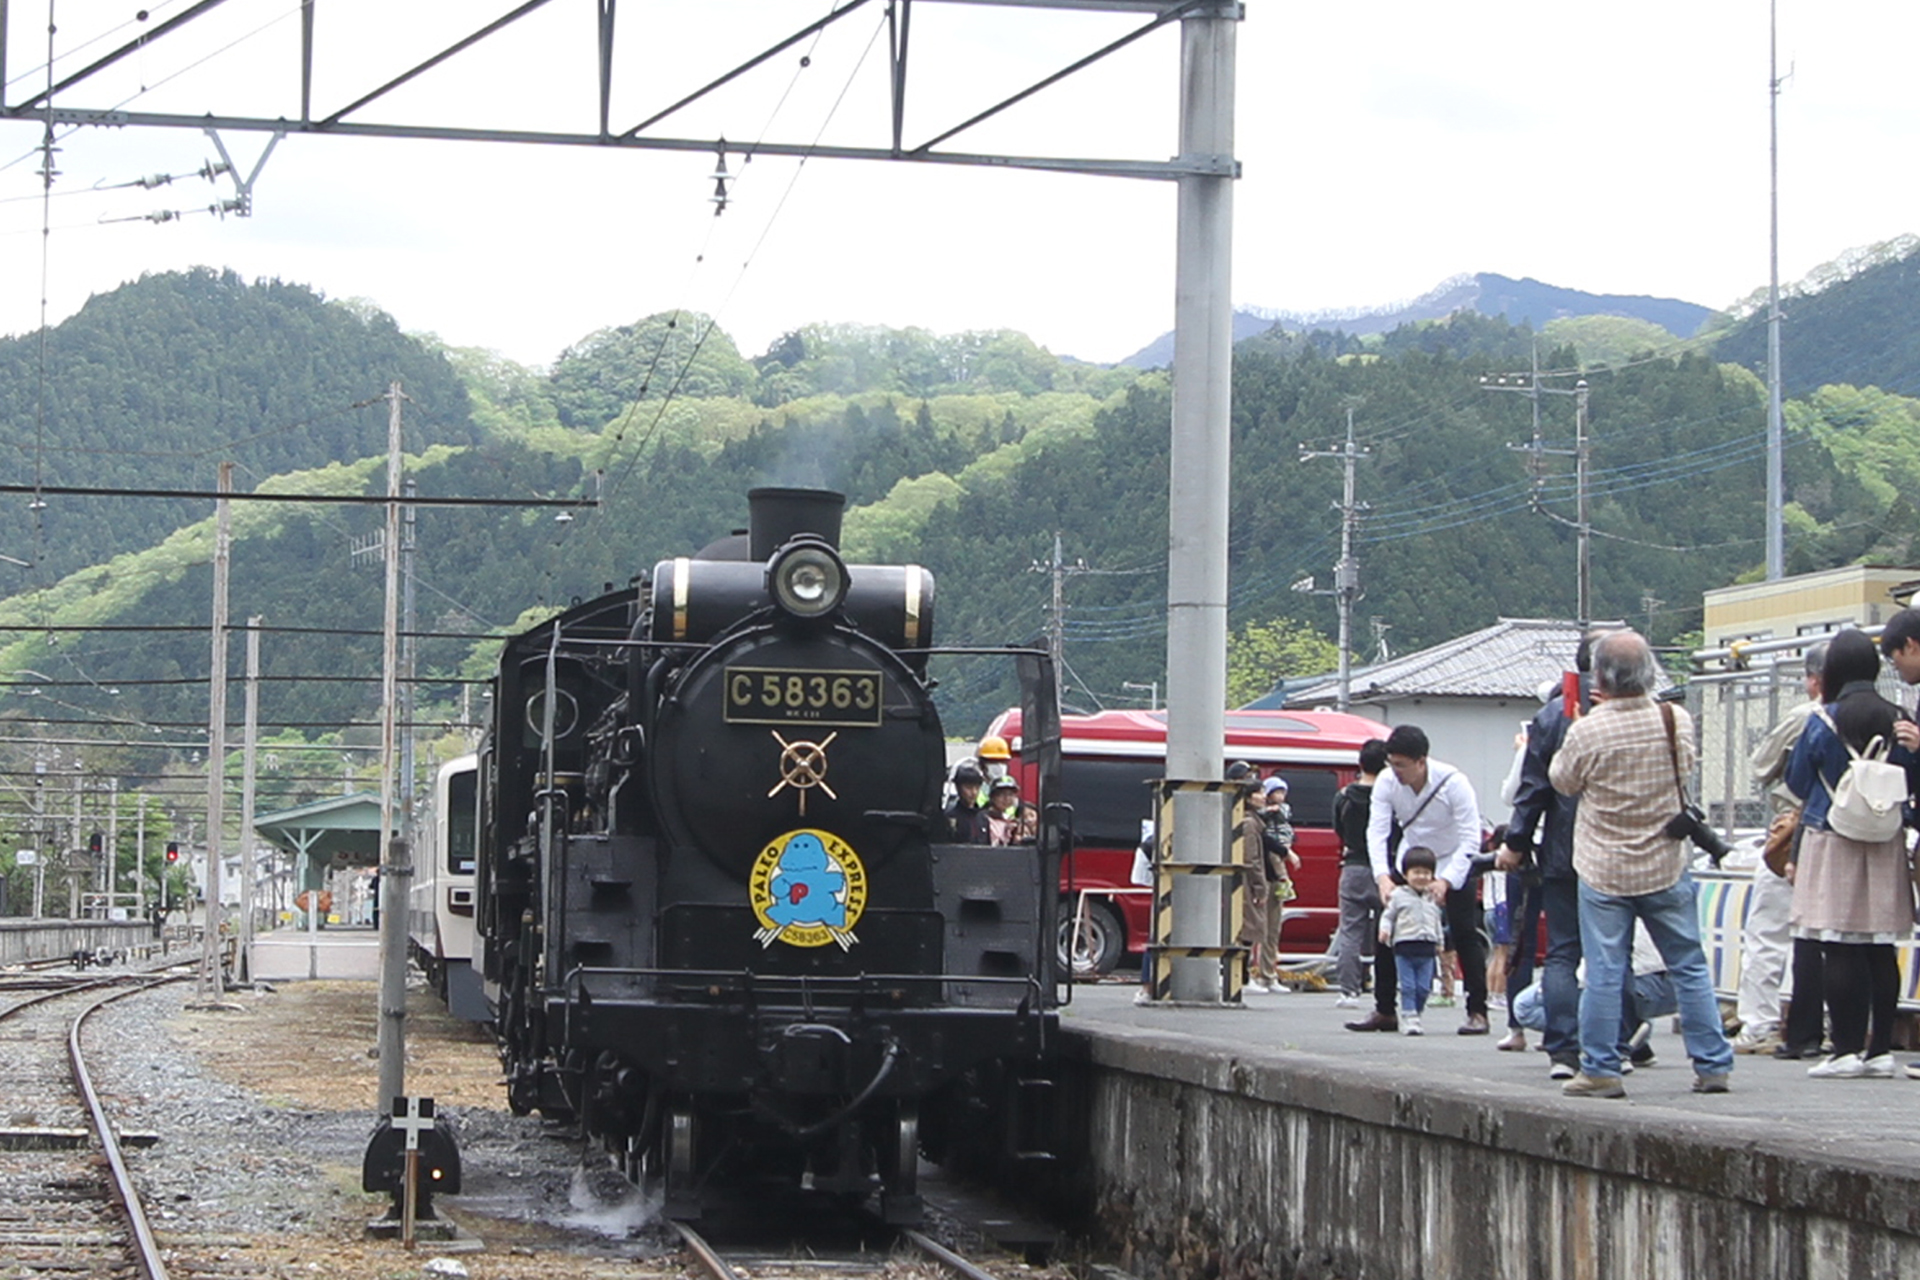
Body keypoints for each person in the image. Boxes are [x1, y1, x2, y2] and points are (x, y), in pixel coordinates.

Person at [1548, 629, 1734, 1098]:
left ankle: (1601, 1067)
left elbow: (1563, 782)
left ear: (1600, 679)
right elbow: (1686, 768)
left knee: (1605, 969)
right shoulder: (1676, 719)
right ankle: (1712, 1064)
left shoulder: (1588, 728)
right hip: (1665, 862)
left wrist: (1577, 722)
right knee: (1688, 964)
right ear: (1649, 673)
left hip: (1605, 867)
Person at [1784, 627, 1919, 1080]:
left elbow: (1798, 781)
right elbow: (1910, 779)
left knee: (1838, 942)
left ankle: (1844, 1049)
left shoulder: (1822, 721)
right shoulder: (1899, 717)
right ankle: (1879, 1050)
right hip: (1885, 838)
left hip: (1833, 835)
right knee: (1881, 945)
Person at [1352, 724, 1489, 1035]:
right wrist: (1383, 876)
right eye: (1392, 764)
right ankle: (1385, 1009)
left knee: (1465, 932)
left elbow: (1471, 838)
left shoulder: (1454, 783)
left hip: (1454, 859)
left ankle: (1477, 1011)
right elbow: (1377, 831)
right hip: (1412, 859)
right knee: (1387, 930)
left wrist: (1448, 881)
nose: (1395, 771)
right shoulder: (1387, 781)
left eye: (1401, 765)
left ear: (1421, 761)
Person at [1499, 634, 1594, 1079]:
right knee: (1613, 953)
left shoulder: (1553, 715)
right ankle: (1617, 1045)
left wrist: (1516, 842)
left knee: (1561, 952)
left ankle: (1562, 1049)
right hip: (1624, 854)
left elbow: (1531, 789)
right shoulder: (1644, 711)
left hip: (1562, 850)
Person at [1738, 640, 1826, 1057]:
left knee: (1768, 931)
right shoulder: (1878, 713)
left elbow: (1761, 763)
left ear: (1813, 679)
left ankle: (1760, 1024)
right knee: (1833, 933)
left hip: (1793, 829)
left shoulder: (1806, 715)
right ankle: (1834, 1023)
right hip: (1848, 834)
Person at [1331, 739, 1390, 1009]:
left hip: (1353, 866)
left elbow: (1338, 829)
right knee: (1387, 930)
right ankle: (1386, 989)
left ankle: (1348, 991)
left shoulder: (1344, 796)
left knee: (1350, 931)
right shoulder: (1389, 796)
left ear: (1360, 763)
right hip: (1385, 871)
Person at [1379, 846, 1446, 1036]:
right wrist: (1385, 930)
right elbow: (1388, 916)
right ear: (1406, 874)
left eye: (1426, 873)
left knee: (1424, 987)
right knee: (1408, 986)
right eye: (1416, 872)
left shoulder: (1432, 898)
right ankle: (1409, 1016)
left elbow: (1437, 921)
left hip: (1427, 947)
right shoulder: (1398, 895)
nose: (1421, 877)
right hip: (1404, 946)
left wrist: (1440, 942)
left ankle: (1416, 1012)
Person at [1230, 762, 1280, 993]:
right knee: (1247, 932)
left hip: (1246, 884)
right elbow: (1252, 860)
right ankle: (1240, 979)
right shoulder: (1250, 824)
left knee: (1246, 931)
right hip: (1249, 885)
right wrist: (1260, 887)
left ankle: (1241, 977)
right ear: (1248, 798)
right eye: (1259, 792)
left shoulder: (1249, 820)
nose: (1264, 796)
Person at [1259, 775, 1302, 986]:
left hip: (1273, 871)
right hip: (1267, 873)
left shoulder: (1282, 812)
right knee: (1264, 927)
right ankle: (1261, 974)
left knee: (1272, 926)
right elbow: (1269, 841)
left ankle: (1267, 973)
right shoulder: (1257, 819)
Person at [942, 763, 989, 843]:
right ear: (958, 788)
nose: (973, 792)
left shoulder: (983, 817)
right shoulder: (950, 816)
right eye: (968, 788)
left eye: (977, 788)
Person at [983, 776, 1035, 845]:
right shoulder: (983, 819)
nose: (1006, 798)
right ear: (992, 797)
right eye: (1001, 794)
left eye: (1010, 795)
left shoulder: (1012, 821)